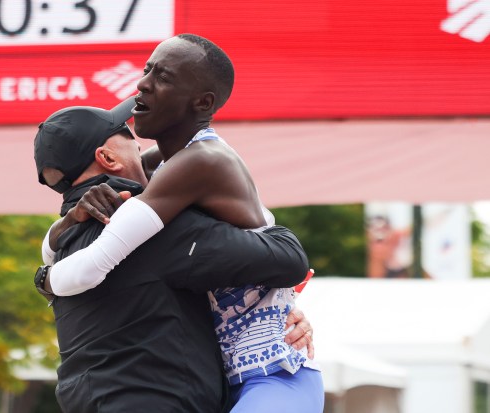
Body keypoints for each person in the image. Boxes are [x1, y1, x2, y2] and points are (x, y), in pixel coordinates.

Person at [44, 34, 324, 412]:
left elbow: (99, 260)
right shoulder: (157, 165)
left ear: (203, 102)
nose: (142, 84)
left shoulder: (200, 161)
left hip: (273, 372)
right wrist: (70, 220)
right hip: (227, 380)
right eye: (146, 70)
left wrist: (45, 278)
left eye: (164, 77)